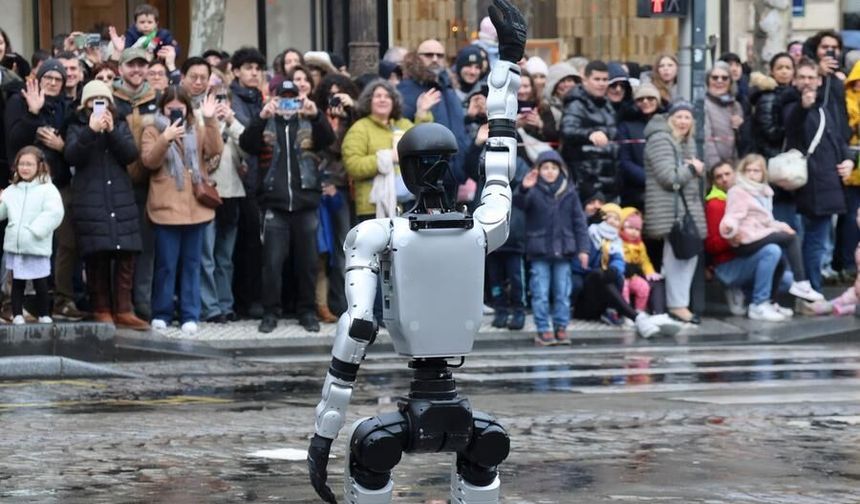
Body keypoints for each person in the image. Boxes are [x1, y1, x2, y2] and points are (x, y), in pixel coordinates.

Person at [238, 77, 335, 334]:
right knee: (271, 263)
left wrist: (316, 116)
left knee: (308, 263)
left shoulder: (309, 121)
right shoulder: (266, 122)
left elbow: (328, 140)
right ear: (275, 98)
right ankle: (270, 312)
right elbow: (247, 143)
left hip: (305, 202)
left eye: (293, 97)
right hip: (274, 203)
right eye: (284, 97)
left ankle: (306, 311)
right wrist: (261, 116)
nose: (289, 102)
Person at [64, 80, 149, 330]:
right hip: (90, 199)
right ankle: (101, 308)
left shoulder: (119, 123)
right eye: (93, 101)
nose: (98, 106)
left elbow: (130, 154)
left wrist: (111, 131)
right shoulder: (76, 125)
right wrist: (90, 131)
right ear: (85, 104)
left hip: (119, 196)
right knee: (96, 255)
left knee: (126, 254)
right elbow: (71, 155)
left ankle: (124, 309)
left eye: (103, 101)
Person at [140, 86, 223, 334]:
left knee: (192, 263)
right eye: (170, 108)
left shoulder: (195, 128)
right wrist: (165, 138)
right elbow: (149, 161)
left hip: (195, 208)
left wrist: (209, 120)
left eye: (180, 107)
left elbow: (214, 149)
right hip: (166, 207)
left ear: (187, 108)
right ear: (162, 108)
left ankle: (190, 313)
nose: (176, 111)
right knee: (166, 264)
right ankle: (162, 312)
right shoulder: (152, 129)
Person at [783, 57, 854, 292]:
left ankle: (811, 289)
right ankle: (809, 291)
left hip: (826, 183)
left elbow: (838, 141)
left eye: (811, 78)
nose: (806, 82)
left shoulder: (823, 108)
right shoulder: (791, 104)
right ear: (794, 80)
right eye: (802, 77)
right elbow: (792, 127)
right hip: (803, 184)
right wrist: (804, 106)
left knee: (817, 243)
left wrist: (848, 160)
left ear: (819, 80)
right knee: (810, 243)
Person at [720, 154, 824, 305]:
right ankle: (801, 282)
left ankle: (770, 302)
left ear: (763, 173)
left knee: (780, 259)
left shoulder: (764, 192)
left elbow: (767, 220)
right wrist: (730, 228)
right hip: (745, 237)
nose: (751, 174)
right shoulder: (738, 191)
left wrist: (782, 227)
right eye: (748, 170)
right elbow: (733, 215)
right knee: (791, 239)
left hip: (758, 234)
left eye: (756, 171)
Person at [514, 150, 588, 345]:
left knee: (563, 292)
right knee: (540, 292)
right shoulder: (532, 189)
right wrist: (523, 188)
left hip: (564, 251)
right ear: (538, 170)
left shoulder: (569, 192)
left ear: (560, 170)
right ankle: (543, 328)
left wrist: (583, 249)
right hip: (539, 250)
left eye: (553, 168)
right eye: (545, 167)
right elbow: (519, 204)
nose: (549, 171)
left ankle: (561, 327)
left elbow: (579, 222)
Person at [704, 161, 794, 320]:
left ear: (736, 175)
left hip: (748, 256)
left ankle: (759, 299)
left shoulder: (747, 195)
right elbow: (711, 245)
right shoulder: (715, 204)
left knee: (786, 280)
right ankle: (759, 303)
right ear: (713, 182)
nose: (724, 179)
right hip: (728, 265)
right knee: (771, 251)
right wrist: (730, 238)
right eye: (719, 177)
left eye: (727, 174)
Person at [643, 101, 706, 324]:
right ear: (670, 119)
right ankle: (677, 305)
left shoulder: (684, 142)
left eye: (687, 118)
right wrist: (692, 168)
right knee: (679, 257)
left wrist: (693, 169)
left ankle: (677, 303)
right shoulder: (661, 139)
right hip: (670, 210)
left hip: (683, 209)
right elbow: (668, 178)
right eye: (678, 117)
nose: (683, 122)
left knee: (685, 256)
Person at [342, 79, 438, 220]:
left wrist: (422, 112)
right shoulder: (360, 128)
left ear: (394, 102)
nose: (383, 100)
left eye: (387, 96)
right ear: (369, 101)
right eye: (378, 96)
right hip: (373, 207)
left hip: (408, 203)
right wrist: (388, 157)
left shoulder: (404, 124)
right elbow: (353, 166)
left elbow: (424, 144)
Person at [113, 47, 160, 321]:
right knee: (116, 247)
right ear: (121, 68)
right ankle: (118, 305)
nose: (137, 70)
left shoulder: (158, 97)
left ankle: (142, 304)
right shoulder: (108, 98)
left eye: (142, 65)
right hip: (116, 183)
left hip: (149, 184)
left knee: (145, 247)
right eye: (131, 65)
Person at [198, 83, 246, 324]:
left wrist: (232, 122)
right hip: (207, 195)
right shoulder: (200, 121)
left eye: (223, 99)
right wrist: (211, 121)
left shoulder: (234, 123)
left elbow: (248, 151)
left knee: (225, 257)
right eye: (214, 98)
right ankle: (210, 306)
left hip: (232, 194)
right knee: (206, 255)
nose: (219, 104)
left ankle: (226, 304)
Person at [0, 146, 64, 325]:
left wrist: (35, 230)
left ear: (39, 166)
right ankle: (17, 313)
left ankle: (44, 313)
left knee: (40, 281)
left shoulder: (47, 189)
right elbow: (2, 212)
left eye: (29, 164)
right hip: (17, 245)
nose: (25, 168)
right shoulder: (12, 190)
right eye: (21, 164)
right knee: (17, 281)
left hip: (36, 243)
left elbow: (54, 213)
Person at [313, 73, 359, 318]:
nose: (335, 101)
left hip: (345, 188)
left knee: (344, 247)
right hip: (321, 187)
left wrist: (352, 112)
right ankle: (321, 303)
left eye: (339, 95)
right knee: (322, 249)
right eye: (330, 95)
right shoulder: (316, 118)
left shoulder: (354, 119)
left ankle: (342, 304)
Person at [398, 40, 468, 187]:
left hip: (453, 173)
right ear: (417, 58)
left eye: (440, 55)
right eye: (429, 55)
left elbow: (458, 129)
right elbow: (400, 132)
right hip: (424, 176)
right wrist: (421, 113)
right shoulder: (405, 90)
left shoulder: (448, 87)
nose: (435, 59)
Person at [229, 47, 266, 320]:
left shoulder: (263, 98)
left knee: (258, 244)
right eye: (248, 67)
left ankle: (256, 298)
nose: (254, 72)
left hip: (263, 179)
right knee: (243, 244)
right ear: (236, 71)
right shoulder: (231, 100)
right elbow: (246, 135)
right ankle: (243, 300)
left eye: (257, 68)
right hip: (240, 179)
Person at [560, 59, 619, 203]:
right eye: (596, 79)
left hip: (610, 182)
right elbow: (567, 130)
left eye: (605, 79)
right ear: (585, 80)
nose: (601, 83)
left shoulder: (607, 106)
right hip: (586, 183)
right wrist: (589, 134)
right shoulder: (576, 104)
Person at [750, 52, 796, 227]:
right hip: (775, 164)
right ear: (772, 71)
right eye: (780, 68)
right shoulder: (769, 96)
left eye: (788, 68)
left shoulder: (792, 94)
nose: (784, 72)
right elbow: (770, 132)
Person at [617, 82, 661, 210]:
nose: (646, 102)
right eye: (640, 99)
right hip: (635, 192)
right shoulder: (626, 125)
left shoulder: (667, 121)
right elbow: (624, 161)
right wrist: (648, 180)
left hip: (664, 188)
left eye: (650, 98)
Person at [619, 207, 663, 313]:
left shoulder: (640, 245)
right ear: (621, 227)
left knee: (644, 287)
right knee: (623, 289)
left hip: (633, 276)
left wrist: (650, 272)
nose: (634, 232)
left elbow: (645, 261)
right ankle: (627, 313)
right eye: (630, 228)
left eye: (637, 229)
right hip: (620, 275)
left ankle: (640, 311)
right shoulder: (617, 241)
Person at [703, 61, 746, 169]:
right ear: (708, 81)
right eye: (715, 77)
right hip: (714, 168)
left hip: (735, 165)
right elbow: (707, 139)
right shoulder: (704, 105)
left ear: (730, 82)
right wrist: (716, 167)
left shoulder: (736, 106)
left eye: (724, 78)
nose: (719, 81)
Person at [538, 62, 579, 146]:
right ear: (553, 85)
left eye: (569, 80)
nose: (567, 85)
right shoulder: (546, 107)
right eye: (562, 81)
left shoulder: (583, 104)